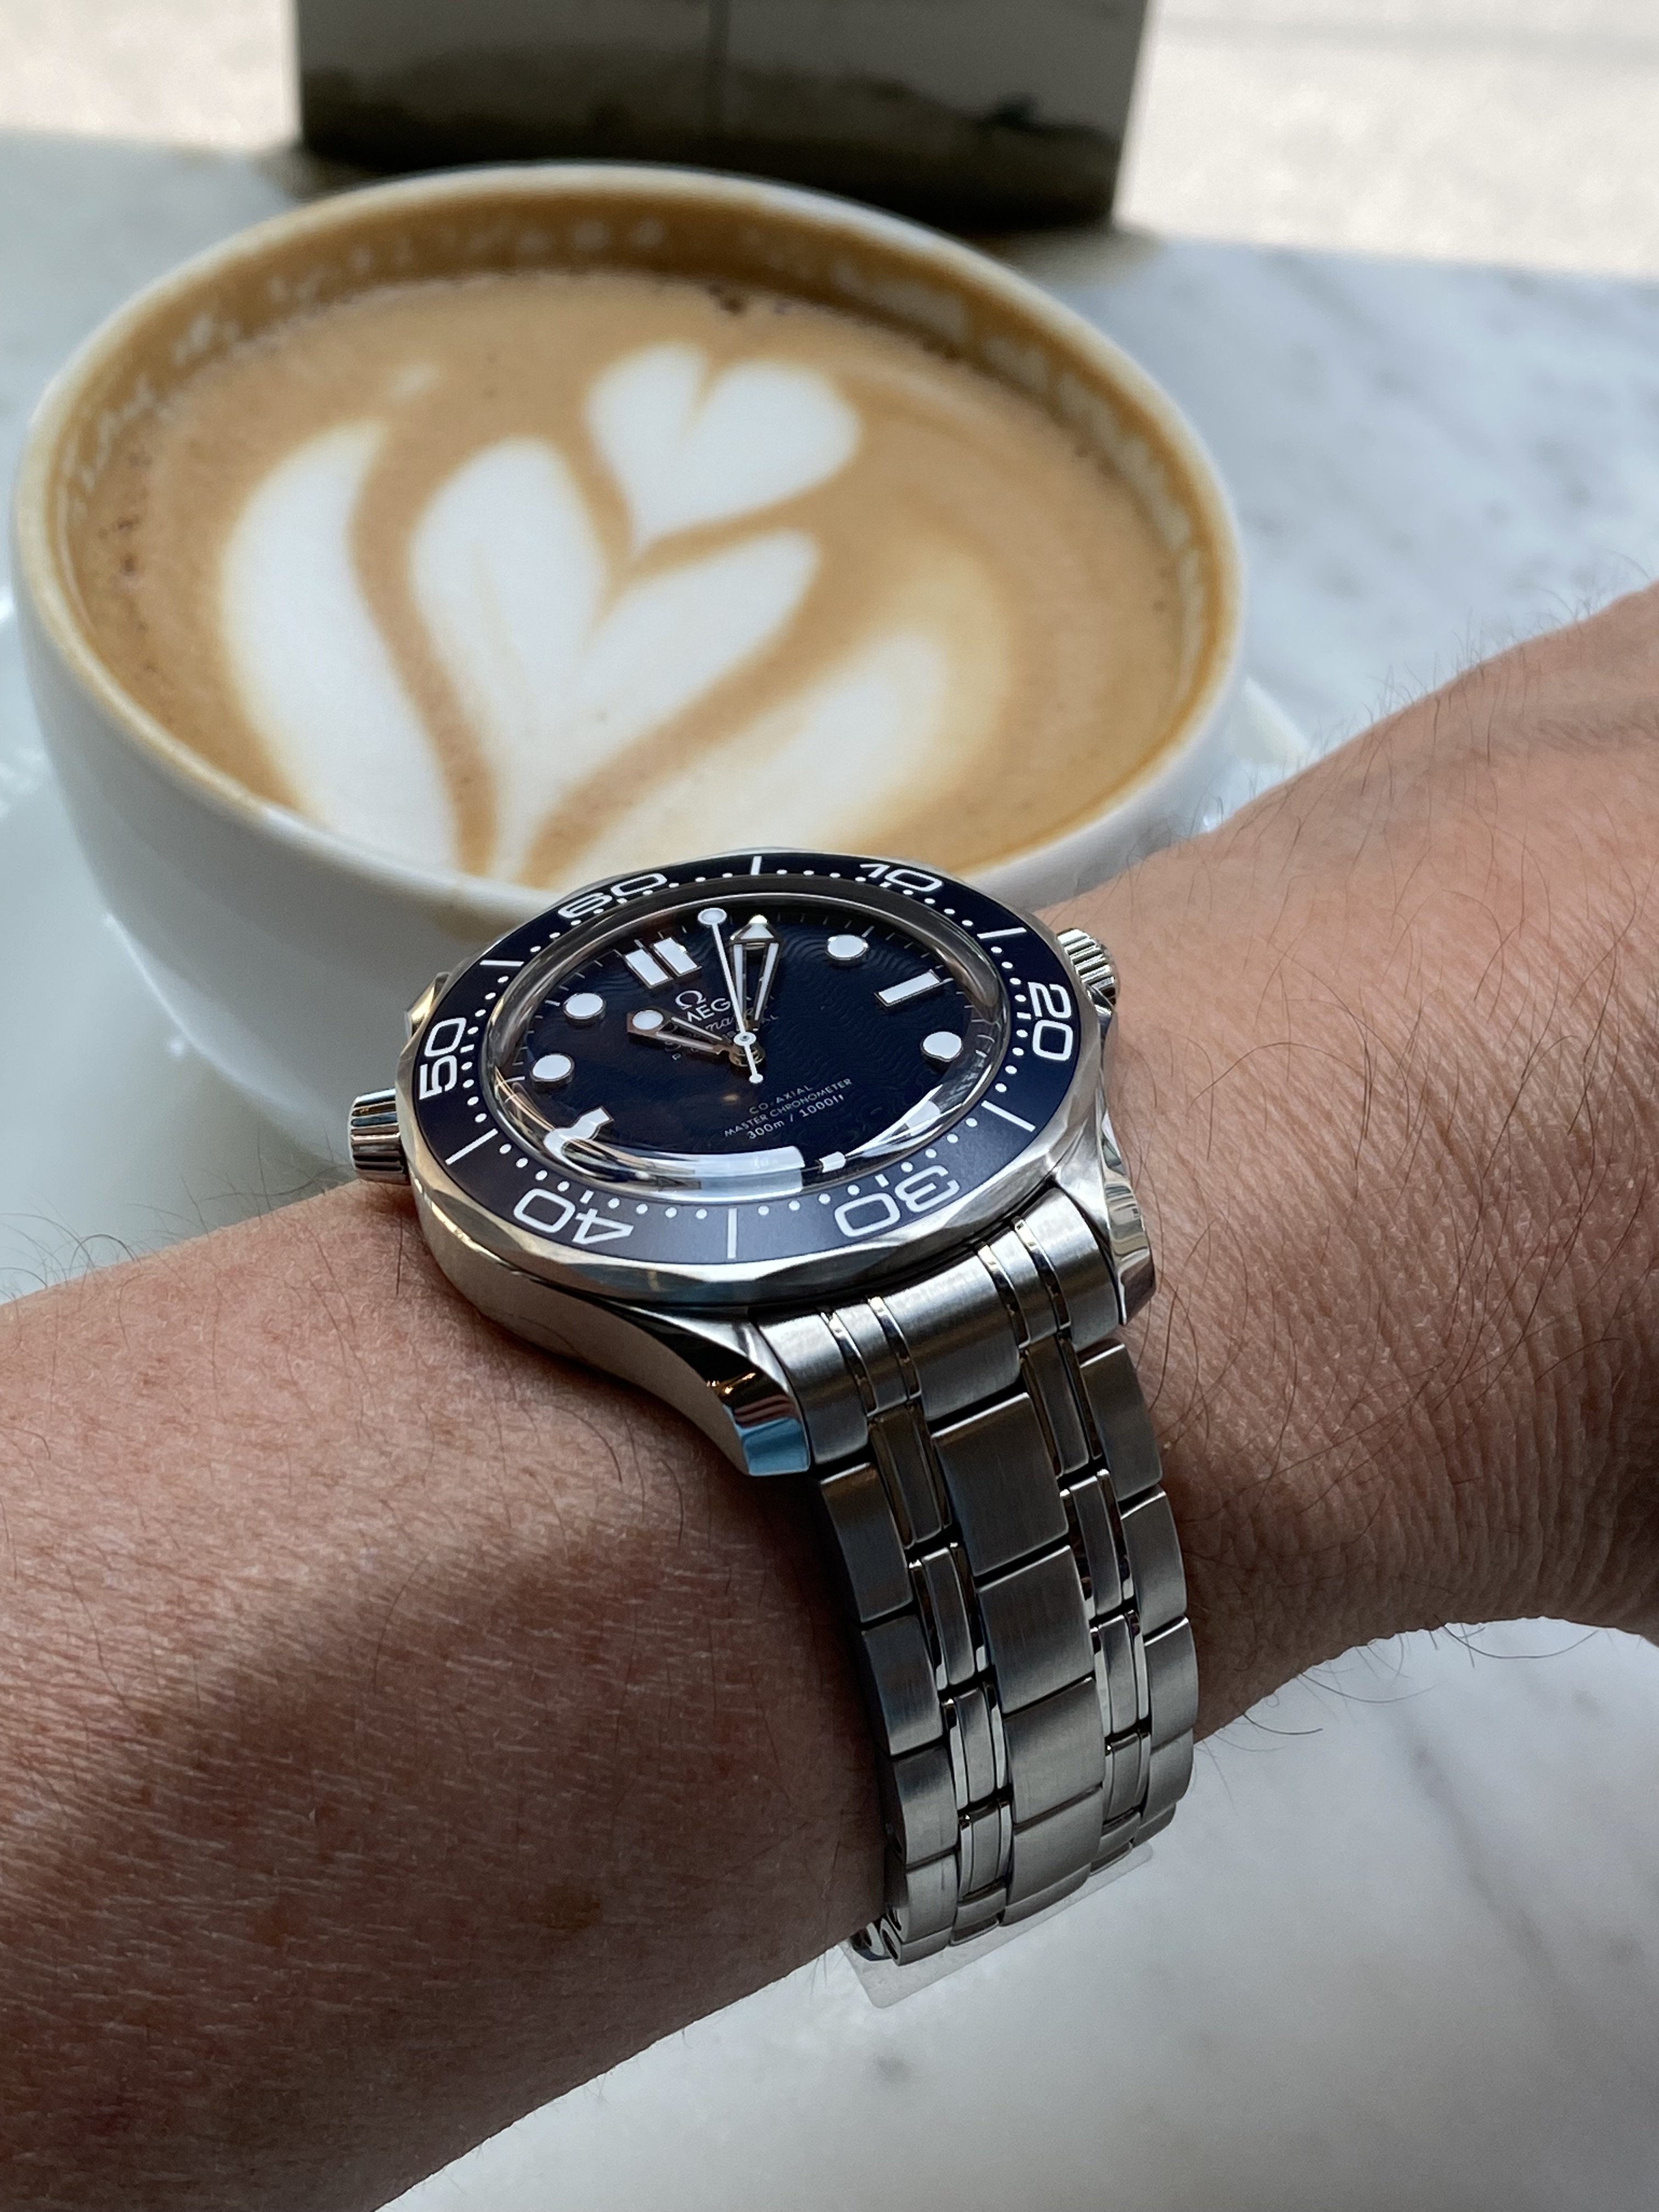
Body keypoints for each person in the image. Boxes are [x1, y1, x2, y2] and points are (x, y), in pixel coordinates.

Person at [1, 586, 1655, 2212]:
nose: (734, 1048)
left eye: (741, 1017)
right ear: (403, 1136)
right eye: (695, 1034)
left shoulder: (1024, 1097)